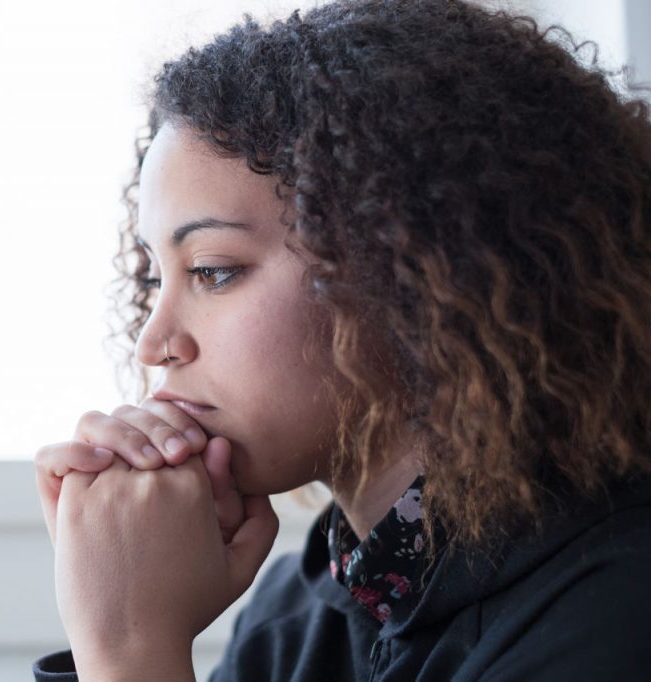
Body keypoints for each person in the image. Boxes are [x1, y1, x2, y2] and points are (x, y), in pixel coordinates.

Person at [33, 0, 651, 679]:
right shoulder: (294, 615)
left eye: (213, 271)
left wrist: (127, 649)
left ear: (413, 267)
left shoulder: (619, 609)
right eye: (155, 278)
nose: (155, 343)